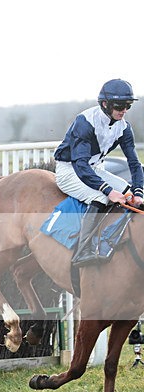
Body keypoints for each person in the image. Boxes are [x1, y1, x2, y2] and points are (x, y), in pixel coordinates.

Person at [54, 79, 144, 266]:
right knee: (102, 197)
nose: (124, 110)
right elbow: (80, 165)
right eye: (120, 105)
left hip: (95, 167)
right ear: (105, 104)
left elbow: (135, 164)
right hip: (70, 169)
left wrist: (138, 193)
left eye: (128, 105)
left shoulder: (124, 128)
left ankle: (119, 239)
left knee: (127, 193)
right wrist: (108, 191)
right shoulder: (85, 122)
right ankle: (83, 249)